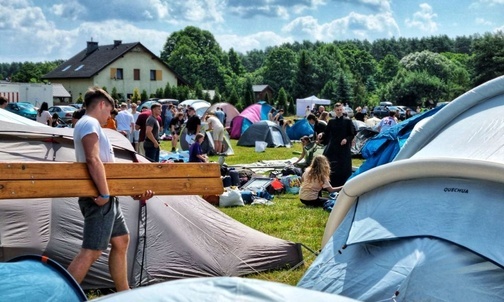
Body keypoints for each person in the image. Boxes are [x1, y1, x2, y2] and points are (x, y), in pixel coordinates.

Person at [68, 87, 154, 291]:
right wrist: (105, 193)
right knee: (91, 251)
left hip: (107, 196)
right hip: (100, 196)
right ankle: (60, 296)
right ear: (101, 105)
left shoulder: (89, 124)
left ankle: (125, 294)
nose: (110, 116)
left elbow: (106, 163)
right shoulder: (89, 123)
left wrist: (127, 190)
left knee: (121, 241)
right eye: (109, 111)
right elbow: (93, 158)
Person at [318, 103, 355, 187]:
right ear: (334, 110)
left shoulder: (347, 121)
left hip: (343, 147)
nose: (339, 111)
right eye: (337, 110)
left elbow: (352, 134)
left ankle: (344, 184)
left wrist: (346, 139)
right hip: (333, 147)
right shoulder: (331, 121)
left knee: (343, 165)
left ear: (343, 110)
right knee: (330, 163)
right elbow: (326, 133)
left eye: (340, 110)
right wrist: (321, 134)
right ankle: (330, 184)